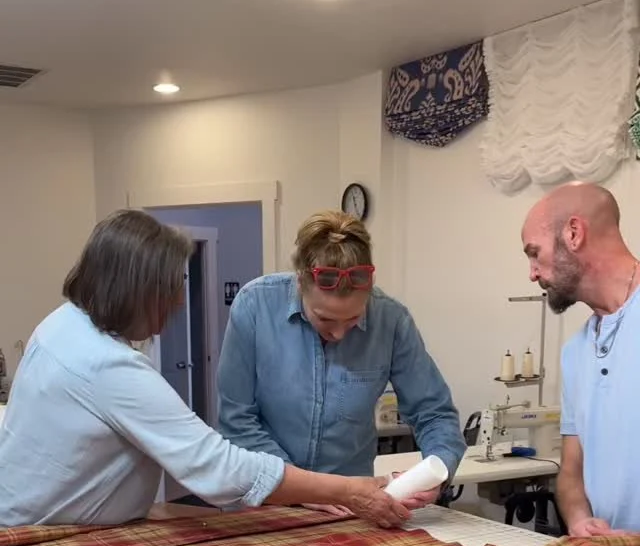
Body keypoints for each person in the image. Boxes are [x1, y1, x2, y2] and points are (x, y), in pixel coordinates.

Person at [0, 210, 411, 529]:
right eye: (170, 288)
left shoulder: (61, 325)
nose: (179, 301)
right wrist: (347, 490)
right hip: (42, 540)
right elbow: (217, 467)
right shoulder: (106, 365)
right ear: (135, 291)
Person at [217, 210, 465, 512]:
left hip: (352, 510)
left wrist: (436, 472)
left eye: (353, 319)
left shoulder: (391, 321)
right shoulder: (255, 306)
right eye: (324, 318)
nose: (338, 333)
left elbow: (434, 413)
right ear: (300, 282)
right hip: (263, 503)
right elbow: (237, 421)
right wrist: (302, 489)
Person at [521, 181, 640, 536]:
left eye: (534, 253)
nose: (532, 273)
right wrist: (578, 520)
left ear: (573, 233)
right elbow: (571, 472)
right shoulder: (575, 353)